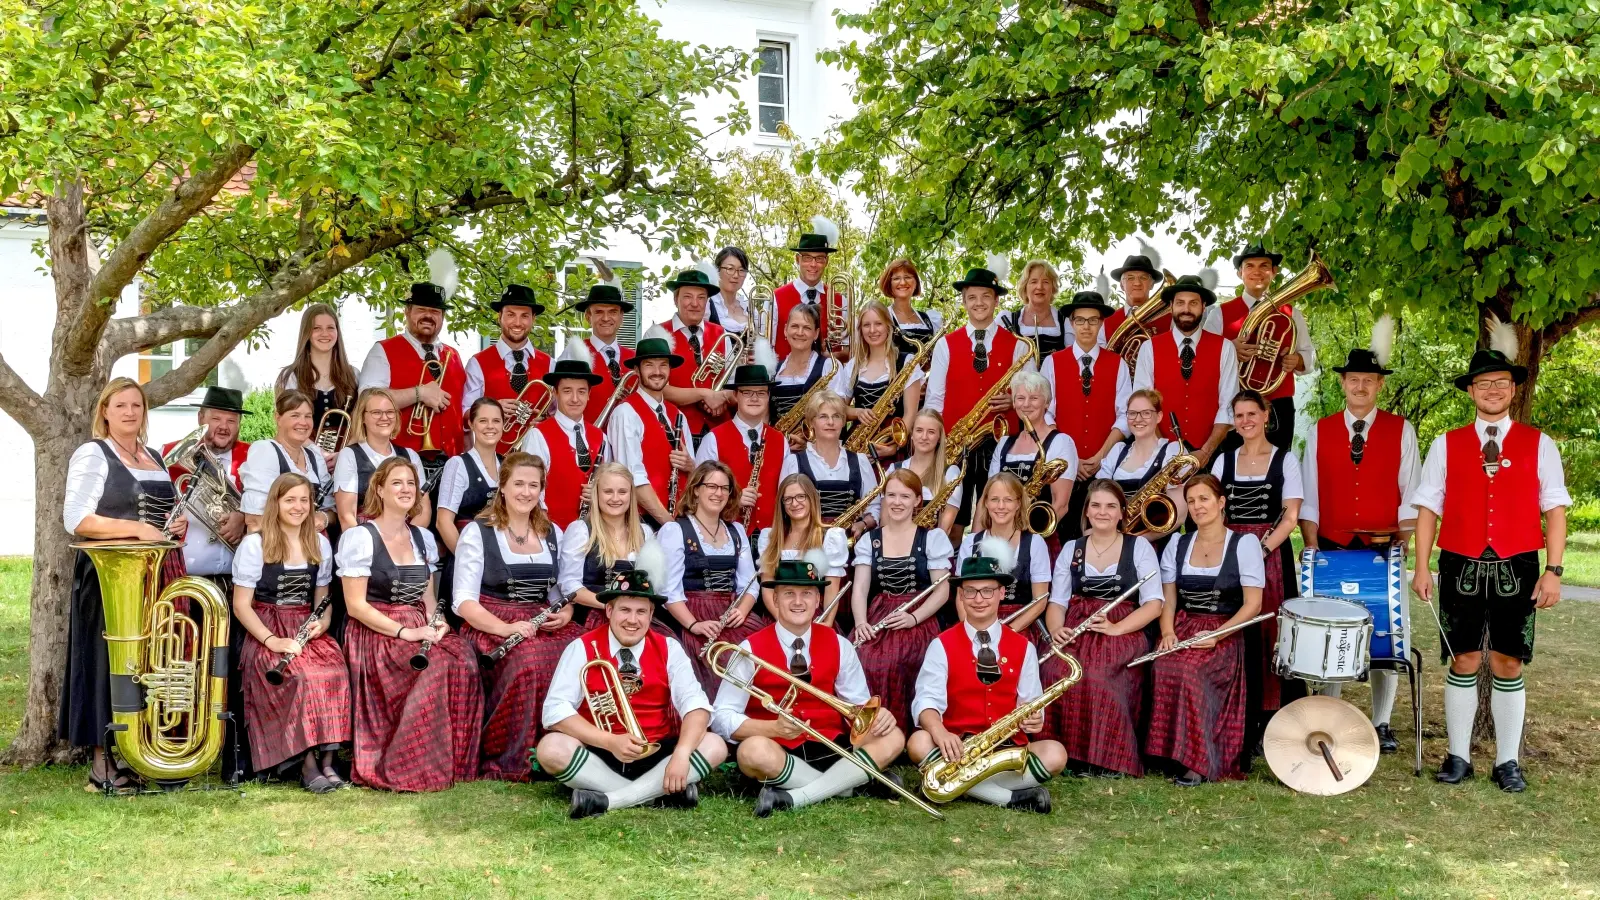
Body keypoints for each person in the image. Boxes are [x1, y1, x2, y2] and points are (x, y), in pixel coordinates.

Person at [1411, 346, 1569, 793]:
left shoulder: (1540, 443)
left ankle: (1507, 761)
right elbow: (1427, 508)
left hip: (1518, 563)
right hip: (1459, 559)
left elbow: (1555, 509)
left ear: (1514, 389)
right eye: (1484, 384)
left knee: (1508, 661)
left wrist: (1553, 570)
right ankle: (1459, 755)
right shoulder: (1446, 443)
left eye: (1501, 382)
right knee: (1463, 657)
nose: (1493, 390)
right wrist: (1420, 567)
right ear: (1471, 392)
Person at [60, 378, 188, 791]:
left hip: (154, 572)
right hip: (108, 575)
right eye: (121, 406)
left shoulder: (153, 456)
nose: (130, 412)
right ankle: (102, 763)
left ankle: (140, 751)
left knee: (146, 661)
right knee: (104, 661)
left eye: (136, 405)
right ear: (105, 412)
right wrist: (137, 530)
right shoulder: (92, 453)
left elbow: (160, 520)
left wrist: (174, 526)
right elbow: (76, 519)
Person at [712, 559, 905, 817]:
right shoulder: (748, 649)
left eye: (807, 594)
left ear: (818, 601)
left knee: (893, 736)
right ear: (775, 600)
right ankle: (853, 784)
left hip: (831, 746)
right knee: (751, 751)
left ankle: (796, 796)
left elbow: (857, 706)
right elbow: (722, 716)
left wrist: (879, 717)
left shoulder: (840, 645)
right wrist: (772, 728)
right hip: (777, 749)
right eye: (789, 593)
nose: (798, 602)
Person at [1299, 346, 1420, 754]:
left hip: (1386, 550)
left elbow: (1411, 493)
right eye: (1354, 379)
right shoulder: (1320, 429)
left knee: (1390, 633)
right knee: (1333, 632)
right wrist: (1313, 546)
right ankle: (1331, 712)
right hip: (1332, 544)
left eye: (1369, 379)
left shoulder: (1402, 430)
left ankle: (1382, 722)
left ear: (1380, 385)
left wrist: (1404, 545)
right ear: (1343, 383)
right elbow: (1310, 494)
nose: (1361, 385)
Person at [337, 456, 482, 791]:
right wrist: (406, 631)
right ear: (381, 490)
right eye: (397, 483)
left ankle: (453, 763)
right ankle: (408, 764)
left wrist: (437, 621)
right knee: (433, 667)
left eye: (411, 483)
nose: (405, 489)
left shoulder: (422, 537)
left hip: (417, 625)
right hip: (376, 632)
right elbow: (356, 606)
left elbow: (428, 598)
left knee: (462, 658)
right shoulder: (360, 537)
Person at [537, 568, 729, 818]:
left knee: (715, 745)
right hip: (600, 753)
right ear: (609, 611)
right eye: (625, 610)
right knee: (550, 748)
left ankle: (607, 799)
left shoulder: (668, 647)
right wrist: (609, 741)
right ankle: (656, 796)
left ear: (651, 614)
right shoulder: (581, 647)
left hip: (656, 753)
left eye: (641, 612)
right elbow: (554, 711)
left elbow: (696, 706)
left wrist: (681, 755)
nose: (633, 620)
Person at [907, 554, 1066, 813]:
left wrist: (1035, 719)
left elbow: (1032, 704)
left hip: (1005, 750)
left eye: (987, 591)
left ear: (1002, 593)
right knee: (919, 742)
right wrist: (940, 733)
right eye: (970, 592)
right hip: (957, 747)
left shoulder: (1024, 647)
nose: (979, 599)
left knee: (1055, 753)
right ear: (960, 596)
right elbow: (926, 701)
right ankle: (1008, 798)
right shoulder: (941, 644)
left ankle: (951, 784)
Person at [454, 454, 577, 781]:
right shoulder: (477, 532)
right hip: (491, 621)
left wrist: (565, 612)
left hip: (537, 621)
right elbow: (464, 601)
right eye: (518, 484)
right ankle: (516, 756)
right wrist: (506, 627)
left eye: (533, 485)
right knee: (528, 661)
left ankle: (570, 747)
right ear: (503, 487)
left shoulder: (552, 532)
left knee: (580, 651)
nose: (526, 491)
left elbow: (558, 594)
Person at [231, 473, 349, 792]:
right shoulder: (255, 544)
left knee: (335, 670)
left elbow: (322, 599)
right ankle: (306, 764)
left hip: (304, 626)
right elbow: (242, 606)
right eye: (290, 500)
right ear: (276, 504)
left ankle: (328, 762)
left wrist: (322, 624)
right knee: (301, 677)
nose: (298, 507)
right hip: (266, 628)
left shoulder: (319, 542)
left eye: (304, 500)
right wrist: (273, 640)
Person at [1145, 474, 1265, 785]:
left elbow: (1252, 605)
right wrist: (1168, 633)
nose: (1197, 506)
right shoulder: (1178, 542)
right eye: (1192, 501)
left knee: (1191, 672)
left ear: (1221, 502)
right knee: (1163, 665)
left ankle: (1198, 762)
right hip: (1184, 625)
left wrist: (1216, 636)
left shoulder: (1244, 544)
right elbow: (1169, 598)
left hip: (1226, 630)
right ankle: (1171, 755)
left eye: (1204, 499)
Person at [1044, 480, 1164, 775]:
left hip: (1122, 626)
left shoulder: (1140, 548)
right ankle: (1063, 754)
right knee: (1054, 671)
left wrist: (1117, 627)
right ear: (1086, 511)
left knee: (1099, 675)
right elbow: (1058, 601)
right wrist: (1057, 630)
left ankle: (1108, 758)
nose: (1102, 512)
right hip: (1077, 623)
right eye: (1095, 505)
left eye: (1111, 506)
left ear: (1122, 513)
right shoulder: (1072, 548)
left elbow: (1153, 604)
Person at [1210, 389, 1304, 734]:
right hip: (1230, 549)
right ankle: (1234, 702)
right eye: (1240, 416)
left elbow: (1290, 517)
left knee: (1270, 627)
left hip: (1270, 551)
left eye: (1252, 414)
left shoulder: (1285, 460)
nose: (1246, 421)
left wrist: (1259, 552)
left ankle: (1270, 711)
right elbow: (1214, 509)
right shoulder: (1224, 460)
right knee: (1234, 623)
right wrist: (1232, 553)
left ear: (1266, 415)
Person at [925, 264, 1033, 526]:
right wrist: (936, 447)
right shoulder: (945, 344)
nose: (979, 303)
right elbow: (935, 400)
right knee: (952, 519)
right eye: (972, 297)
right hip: (956, 444)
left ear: (996, 300)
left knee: (998, 517)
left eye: (986, 296)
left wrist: (1015, 402)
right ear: (963, 301)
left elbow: (1034, 402)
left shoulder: (1019, 346)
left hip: (1002, 444)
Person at [850, 469, 955, 728]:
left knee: (907, 659)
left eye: (905, 496)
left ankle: (907, 728)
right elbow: (860, 589)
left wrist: (913, 618)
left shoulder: (931, 538)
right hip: (880, 614)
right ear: (884, 498)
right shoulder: (869, 541)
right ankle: (872, 728)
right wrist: (861, 623)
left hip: (919, 615)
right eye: (892, 495)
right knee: (865, 657)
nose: (897, 502)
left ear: (918, 500)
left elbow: (942, 591)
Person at [659, 461, 766, 690]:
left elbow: (750, 584)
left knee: (761, 659)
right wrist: (694, 625)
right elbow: (668, 590)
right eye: (711, 486)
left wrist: (742, 610)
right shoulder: (676, 530)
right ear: (696, 489)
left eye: (725, 488)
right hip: (692, 615)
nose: (718, 493)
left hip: (732, 615)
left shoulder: (736, 530)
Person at [357, 275, 467, 491]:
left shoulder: (453, 356)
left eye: (435, 311)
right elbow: (366, 400)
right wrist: (419, 393)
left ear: (443, 316)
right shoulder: (383, 350)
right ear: (407, 312)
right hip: (399, 466)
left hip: (451, 466)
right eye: (421, 310)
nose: (428, 316)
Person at [1208, 244, 1316, 451]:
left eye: (1264, 266)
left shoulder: (1292, 314)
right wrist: (1229, 349)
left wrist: (1298, 360)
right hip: (1233, 403)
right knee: (1232, 465)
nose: (1257, 271)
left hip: (1279, 405)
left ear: (1274, 272)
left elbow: (1308, 354)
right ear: (1240, 273)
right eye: (1249, 266)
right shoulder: (1219, 314)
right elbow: (1203, 357)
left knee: (1278, 466)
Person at [1044, 291, 1132, 541]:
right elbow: (1047, 415)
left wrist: (1100, 455)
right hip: (1063, 467)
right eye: (1080, 320)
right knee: (1062, 531)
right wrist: (1071, 458)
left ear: (1101, 323)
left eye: (1093, 320)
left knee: (1102, 531)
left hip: (1105, 463)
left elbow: (1124, 416)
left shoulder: (1118, 364)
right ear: (1071, 323)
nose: (1086, 326)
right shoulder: (1052, 362)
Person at [1131, 274, 1237, 468]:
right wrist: (1164, 451)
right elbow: (1144, 406)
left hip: (1210, 454)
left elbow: (1228, 405)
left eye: (1193, 303)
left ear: (1203, 307)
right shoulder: (1149, 348)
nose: (1186, 309)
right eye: (1180, 303)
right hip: (1159, 455)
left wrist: (1206, 451)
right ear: (1171, 306)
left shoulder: (1225, 347)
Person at [607, 325, 695, 528]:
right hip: (643, 523)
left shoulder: (678, 415)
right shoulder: (626, 413)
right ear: (637, 370)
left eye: (663, 365)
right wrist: (670, 525)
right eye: (649, 365)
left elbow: (694, 477)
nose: (657, 372)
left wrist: (691, 466)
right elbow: (632, 479)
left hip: (680, 519)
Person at [162, 386, 249, 580]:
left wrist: (244, 517)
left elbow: (271, 506)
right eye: (216, 419)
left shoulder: (253, 456)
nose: (224, 427)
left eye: (231, 421)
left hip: (237, 581)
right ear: (201, 418)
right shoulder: (168, 454)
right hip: (183, 576)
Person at [558, 462, 658, 630]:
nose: (615, 498)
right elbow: (569, 585)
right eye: (608, 491)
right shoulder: (581, 530)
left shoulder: (645, 533)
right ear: (597, 494)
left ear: (631, 495)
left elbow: (654, 584)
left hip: (635, 619)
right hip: (593, 615)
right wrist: (610, 606)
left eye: (622, 492)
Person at [520, 340, 606, 530]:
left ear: (589, 394)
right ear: (555, 393)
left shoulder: (601, 437)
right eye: (567, 391)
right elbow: (531, 494)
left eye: (581, 391)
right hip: (551, 534)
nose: (575, 399)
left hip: (594, 536)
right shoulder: (538, 435)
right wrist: (547, 536)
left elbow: (610, 488)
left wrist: (600, 493)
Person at [696, 361, 787, 539]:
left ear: (768, 397)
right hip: (724, 535)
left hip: (770, 538)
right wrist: (733, 499)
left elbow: (786, 493)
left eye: (761, 393)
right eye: (747, 392)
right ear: (736, 395)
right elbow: (699, 494)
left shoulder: (780, 440)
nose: (755, 398)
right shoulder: (713, 439)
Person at [956, 474, 1052, 633]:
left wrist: (1007, 633)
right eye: (994, 499)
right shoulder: (971, 542)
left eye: (1008, 500)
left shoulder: (1034, 543)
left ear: (1018, 503)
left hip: (1020, 626)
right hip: (976, 625)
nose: (1001, 506)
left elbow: (1040, 601)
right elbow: (961, 596)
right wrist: (973, 631)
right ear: (986, 502)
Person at [987, 371, 1076, 541]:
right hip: (1000, 539)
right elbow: (987, 499)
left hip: (1039, 539)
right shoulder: (1004, 443)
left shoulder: (1060, 442)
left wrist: (1026, 540)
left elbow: (1061, 505)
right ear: (1013, 402)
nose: (1026, 404)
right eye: (1020, 398)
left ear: (1047, 403)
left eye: (1034, 398)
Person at [777, 391, 879, 535]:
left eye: (836, 416)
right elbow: (784, 507)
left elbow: (875, 507)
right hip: (807, 545)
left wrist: (863, 524)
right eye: (823, 416)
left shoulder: (860, 461)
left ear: (843, 422)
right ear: (811, 422)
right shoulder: (793, 461)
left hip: (849, 546)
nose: (830, 422)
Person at [276, 302, 359, 472]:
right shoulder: (290, 377)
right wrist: (320, 453)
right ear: (307, 333)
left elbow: (362, 421)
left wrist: (345, 454)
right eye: (317, 328)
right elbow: (286, 424)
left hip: (348, 459)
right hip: (301, 458)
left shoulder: (354, 374)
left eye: (330, 328)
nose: (325, 334)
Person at [756, 474, 850, 626]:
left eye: (801, 496)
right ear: (782, 504)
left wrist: (827, 623)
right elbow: (768, 589)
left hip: (814, 619)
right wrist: (784, 623)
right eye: (788, 499)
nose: (795, 503)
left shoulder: (829, 537)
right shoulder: (770, 537)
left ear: (811, 499)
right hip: (778, 617)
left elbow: (832, 589)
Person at [333, 388, 430, 531]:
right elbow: (346, 517)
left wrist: (404, 540)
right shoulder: (349, 455)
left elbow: (424, 510)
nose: (384, 417)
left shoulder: (411, 456)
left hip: (406, 539)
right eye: (376, 412)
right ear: (363, 417)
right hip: (363, 540)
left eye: (390, 412)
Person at [1098, 389, 1189, 541]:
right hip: (1114, 542)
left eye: (1146, 413)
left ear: (1158, 416)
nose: (1138, 419)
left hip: (1157, 544)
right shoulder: (1117, 451)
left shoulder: (1173, 452)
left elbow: (1179, 516)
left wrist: (1135, 542)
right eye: (1132, 413)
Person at [240, 390, 334, 533]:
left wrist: (322, 517)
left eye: (308, 416)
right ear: (278, 418)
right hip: (273, 548)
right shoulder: (265, 450)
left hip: (312, 547)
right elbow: (255, 519)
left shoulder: (314, 456)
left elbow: (332, 510)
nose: (303, 422)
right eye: (295, 415)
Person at [832, 300, 924, 445]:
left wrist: (892, 446)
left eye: (878, 323)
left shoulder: (907, 362)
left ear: (888, 326)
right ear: (860, 330)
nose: (872, 330)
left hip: (893, 442)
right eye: (866, 325)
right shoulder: (853, 366)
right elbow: (838, 409)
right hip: (857, 443)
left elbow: (910, 415)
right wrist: (858, 412)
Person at [463, 284, 551, 432]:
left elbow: (557, 414)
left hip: (537, 452)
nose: (517, 323)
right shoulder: (477, 363)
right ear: (499, 317)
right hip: (491, 452)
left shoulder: (550, 364)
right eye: (510, 315)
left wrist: (546, 421)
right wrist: (492, 410)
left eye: (524, 316)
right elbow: (464, 413)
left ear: (533, 319)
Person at [661, 268, 733, 438]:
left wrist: (722, 398)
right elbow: (658, 389)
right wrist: (705, 394)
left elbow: (733, 384)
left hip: (717, 430)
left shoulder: (722, 334)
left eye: (701, 297)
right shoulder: (658, 333)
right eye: (687, 296)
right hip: (673, 430)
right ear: (675, 299)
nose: (695, 303)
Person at [436, 398, 504, 563]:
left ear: (503, 425)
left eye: (496, 421)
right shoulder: (457, 464)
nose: (490, 426)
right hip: (465, 562)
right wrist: (469, 564)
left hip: (500, 562)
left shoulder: (508, 465)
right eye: (483, 421)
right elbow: (443, 522)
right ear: (472, 424)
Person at [886, 409, 962, 537]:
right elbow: (884, 521)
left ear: (939, 438)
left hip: (930, 549)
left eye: (931, 432)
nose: (924, 437)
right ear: (911, 434)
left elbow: (944, 529)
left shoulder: (950, 473)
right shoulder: (894, 469)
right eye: (919, 430)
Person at [569, 281, 637, 424]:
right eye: (599, 312)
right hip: (589, 441)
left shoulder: (635, 358)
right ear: (588, 317)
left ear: (621, 317)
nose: (606, 318)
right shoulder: (574, 353)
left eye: (613, 312)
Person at [773, 218, 842, 358]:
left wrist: (830, 357)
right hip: (785, 378)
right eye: (807, 258)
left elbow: (849, 350)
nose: (813, 264)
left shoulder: (841, 301)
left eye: (820, 258)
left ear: (826, 261)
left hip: (829, 377)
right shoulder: (775, 298)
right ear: (797, 260)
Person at [769, 304, 831, 425]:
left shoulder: (829, 367)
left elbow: (835, 414)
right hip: (779, 440)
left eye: (807, 328)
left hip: (815, 441)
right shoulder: (773, 369)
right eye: (795, 326)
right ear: (785, 330)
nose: (800, 332)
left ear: (816, 333)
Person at [1100, 251, 1169, 356]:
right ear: (1122, 285)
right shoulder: (1106, 323)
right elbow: (1102, 360)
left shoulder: (1170, 319)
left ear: (1152, 285)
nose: (1137, 283)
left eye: (1143, 278)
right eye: (1130, 278)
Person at [1001, 260, 1068, 358]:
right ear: (1025, 287)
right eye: (1033, 282)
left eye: (1045, 282)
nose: (1039, 287)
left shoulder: (1066, 322)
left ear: (1052, 288)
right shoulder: (1008, 320)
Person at [878, 257, 942, 357]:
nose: (903, 282)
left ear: (916, 282)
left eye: (907, 277)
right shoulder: (883, 317)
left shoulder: (929, 319)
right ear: (889, 284)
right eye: (896, 278)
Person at [706, 247, 757, 338]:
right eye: (730, 269)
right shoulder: (707, 305)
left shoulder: (750, 309)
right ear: (717, 271)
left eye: (741, 270)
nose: (736, 275)